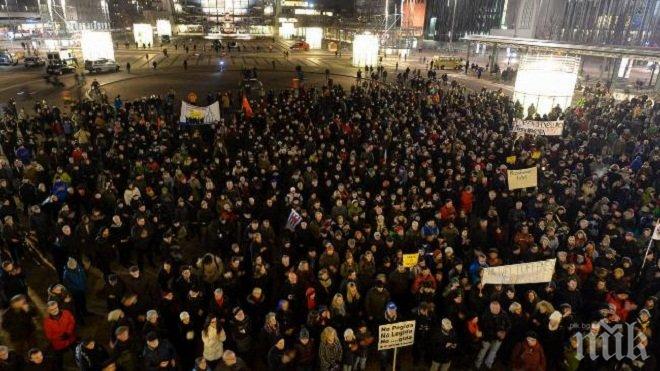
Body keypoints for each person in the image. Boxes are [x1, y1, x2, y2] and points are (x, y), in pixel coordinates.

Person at [43, 300, 76, 369]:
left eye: (55, 308)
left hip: (70, 338)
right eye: (52, 309)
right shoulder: (47, 322)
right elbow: (49, 335)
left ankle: (78, 360)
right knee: (59, 358)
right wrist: (60, 337)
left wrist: (68, 332)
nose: (54, 310)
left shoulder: (66, 313)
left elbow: (72, 322)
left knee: (75, 351)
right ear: (48, 311)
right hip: (59, 344)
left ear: (58, 307)